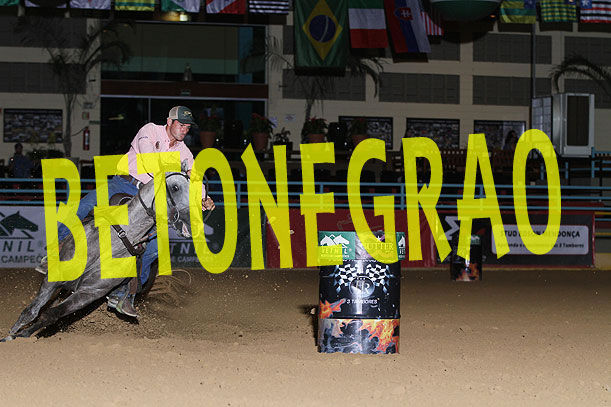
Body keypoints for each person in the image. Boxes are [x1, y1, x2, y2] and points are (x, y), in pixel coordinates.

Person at [37, 106, 215, 318]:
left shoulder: (184, 152)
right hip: (123, 184)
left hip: (149, 200)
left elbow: (193, 178)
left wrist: (202, 197)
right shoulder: (150, 130)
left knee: (155, 248)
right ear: (169, 121)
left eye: (187, 127)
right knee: (81, 208)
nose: (185, 130)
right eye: (181, 125)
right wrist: (176, 172)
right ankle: (54, 255)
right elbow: (148, 161)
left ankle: (125, 295)